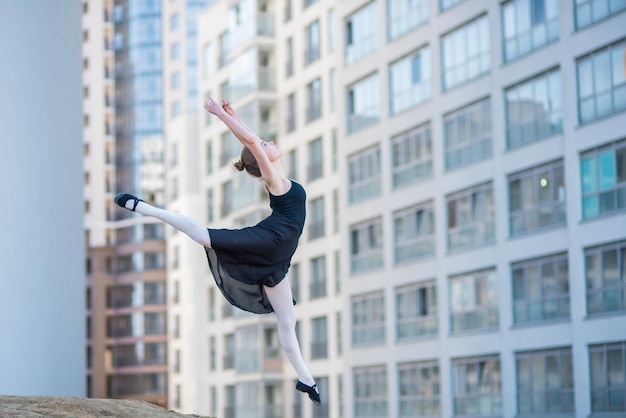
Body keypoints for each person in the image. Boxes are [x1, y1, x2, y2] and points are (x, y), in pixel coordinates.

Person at [114, 97, 321, 406]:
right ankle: (144, 207)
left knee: (287, 320)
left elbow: (252, 142)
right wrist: (221, 117)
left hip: (279, 257)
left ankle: (306, 380)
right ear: (262, 155)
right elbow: (252, 142)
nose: (271, 142)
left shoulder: (275, 170)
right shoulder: (274, 179)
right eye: (267, 143)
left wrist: (233, 115)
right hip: (269, 240)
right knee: (206, 237)